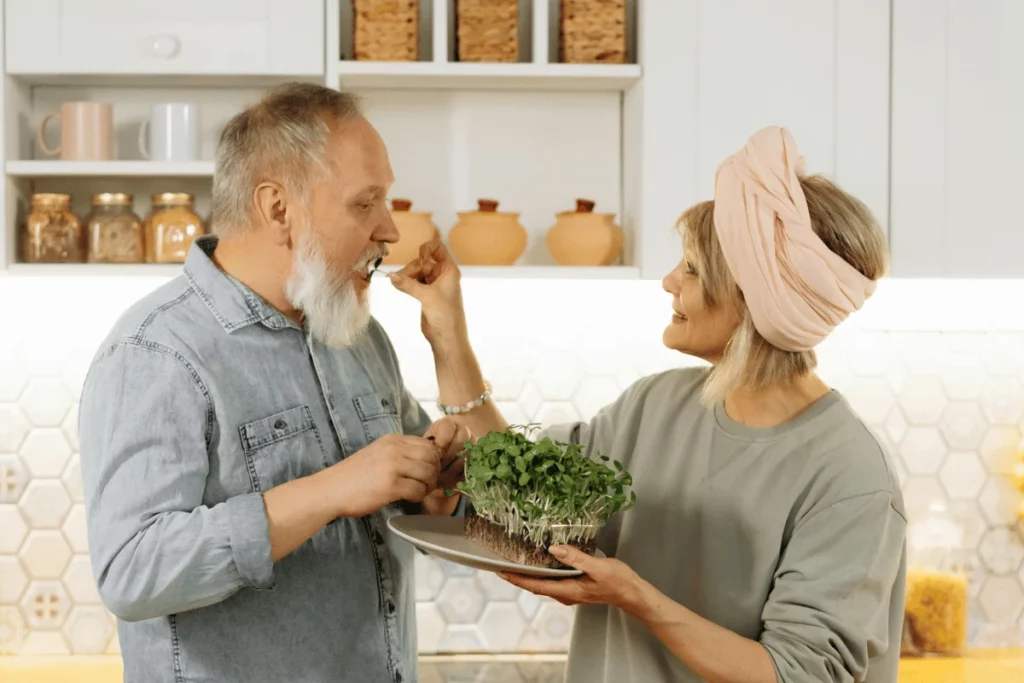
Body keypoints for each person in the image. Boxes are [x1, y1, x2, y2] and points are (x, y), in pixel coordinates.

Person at [390, 126, 907, 683]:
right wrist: (447, 329)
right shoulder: (659, 404)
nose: (668, 281)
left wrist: (637, 598)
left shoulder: (850, 478)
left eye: (691, 268)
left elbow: (797, 674)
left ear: (750, 300)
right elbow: (524, 492)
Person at [77, 83, 480, 683]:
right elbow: (132, 573)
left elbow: (434, 509)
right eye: (364, 203)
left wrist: (434, 489)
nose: (390, 230)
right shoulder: (156, 351)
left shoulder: (358, 338)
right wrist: (332, 490)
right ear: (278, 209)